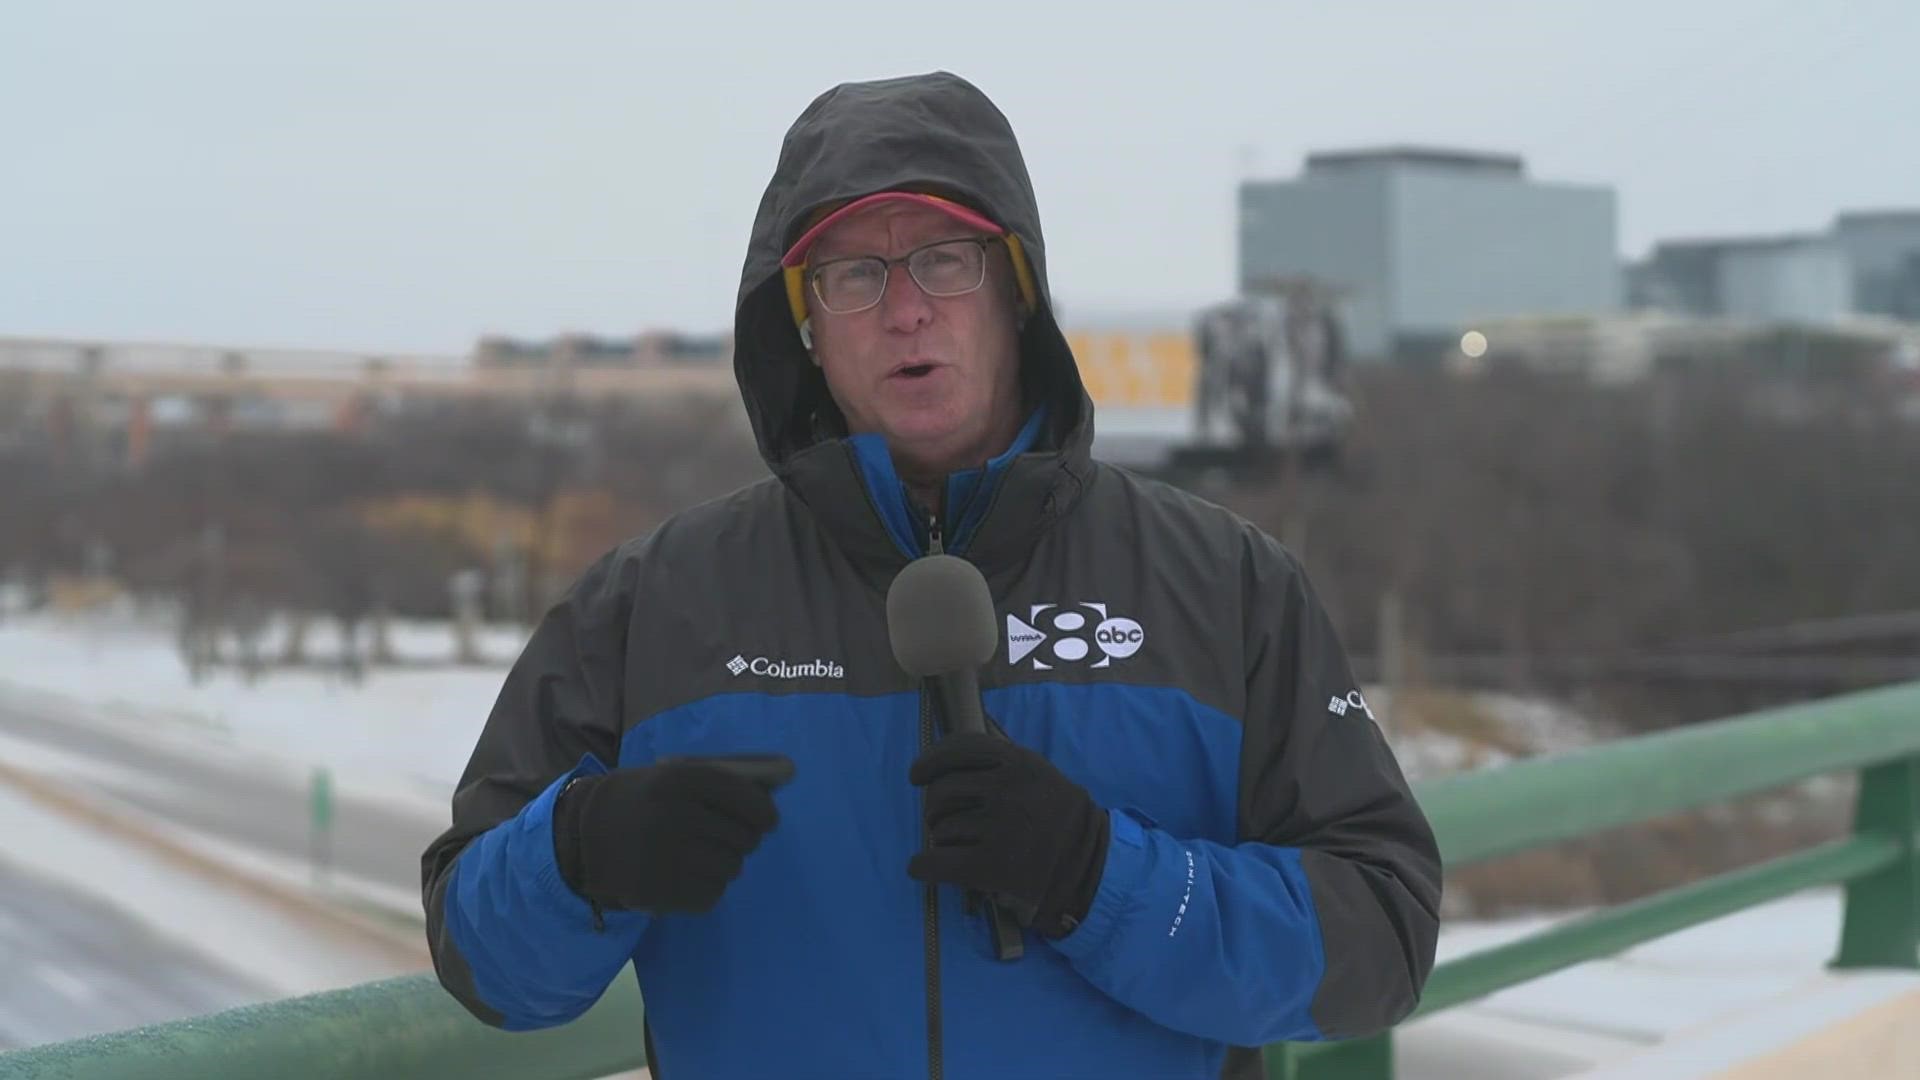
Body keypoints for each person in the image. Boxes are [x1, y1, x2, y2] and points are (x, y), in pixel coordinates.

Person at [422, 70, 1441, 1079]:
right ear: (806, 330)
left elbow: (1380, 942)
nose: (904, 310)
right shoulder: (650, 605)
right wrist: (578, 857)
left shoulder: (1226, 588)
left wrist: (1099, 874)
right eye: (851, 275)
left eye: (944, 260)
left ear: (1016, 291)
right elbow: (486, 968)